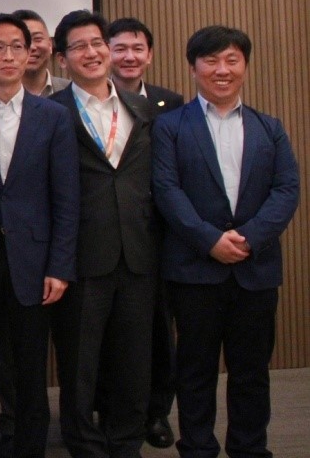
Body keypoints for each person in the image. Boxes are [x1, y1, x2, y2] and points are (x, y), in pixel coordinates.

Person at [152, 26, 299, 458]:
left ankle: (250, 449)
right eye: (211, 60)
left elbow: (286, 189)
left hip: (255, 270)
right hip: (194, 271)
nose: (222, 70)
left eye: (232, 60)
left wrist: (249, 239)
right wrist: (210, 240)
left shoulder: (269, 127)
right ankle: (197, 448)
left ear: (245, 67)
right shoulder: (170, 126)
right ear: (193, 67)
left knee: (251, 372)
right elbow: (166, 190)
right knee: (195, 371)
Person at [0, 14, 79, 458]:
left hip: (34, 261)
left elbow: (66, 198)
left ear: (30, 53)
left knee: (31, 369)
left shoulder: (54, 116)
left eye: (17, 46)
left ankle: (29, 448)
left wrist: (60, 266)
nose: (8, 56)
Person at [48, 10, 158, 458]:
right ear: (62, 59)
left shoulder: (141, 109)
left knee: (134, 361)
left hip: (137, 254)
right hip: (80, 256)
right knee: (80, 365)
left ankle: (126, 442)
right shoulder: (49, 113)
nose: (91, 53)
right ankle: (85, 445)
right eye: (79, 46)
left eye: (97, 43)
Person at [107, 16, 184, 449]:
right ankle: (112, 411)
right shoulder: (93, 100)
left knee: (158, 329)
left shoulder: (170, 103)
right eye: (120, 48)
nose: (129, 56)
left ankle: (156, 412)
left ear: (150, 55)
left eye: (137, 49)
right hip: (109, 235)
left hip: (158, 236)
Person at [15, 9, 71, 97]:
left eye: (37, 39)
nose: (31, 47)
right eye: (22, 41)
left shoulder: (72, 91)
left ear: (50, 45)